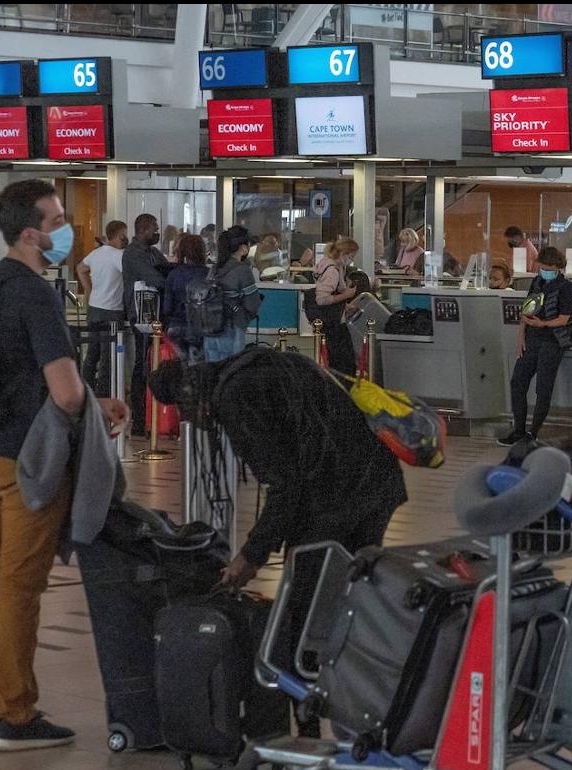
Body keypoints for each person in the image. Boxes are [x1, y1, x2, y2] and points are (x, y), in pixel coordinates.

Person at [0, 179, 129, 752]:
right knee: (20, 587)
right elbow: (64, 392)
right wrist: (91, 406)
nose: (66, 230)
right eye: (57, 221)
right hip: (28, 461)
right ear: (30, 234)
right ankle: (18, 715)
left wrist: (94, 401)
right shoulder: (34, 294)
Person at [148, 349, 407, 738]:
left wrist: (250, 556)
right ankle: (363, 713)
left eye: (184, 413)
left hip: (337, 495)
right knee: (351, 601)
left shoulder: (234, 398)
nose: (191, 422)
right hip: (375, 481)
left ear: (189, 395)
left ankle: (308, 725)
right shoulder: (247, 365)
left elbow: (286, 486)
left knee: (302, 612)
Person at [499, 247, 572, 446]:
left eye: (548, 268)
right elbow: (527, 311)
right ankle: (519, 430)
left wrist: (544, 324)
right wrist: (521, 337)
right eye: (542, 267)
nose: (544, 271)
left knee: (543, 387)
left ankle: (533, 433)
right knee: (518, 382)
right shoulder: (537, 282)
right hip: (532, 338)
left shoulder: (565, 287)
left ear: (558, 267)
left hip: (552, 341)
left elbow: (564, 318)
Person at [121, 213, 168, 436]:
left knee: (152, 363)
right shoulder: (133, 254)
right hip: (140, 316)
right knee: (141, 365)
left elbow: (166, 268)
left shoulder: (153, 252)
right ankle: (139, 420)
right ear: (142, 230)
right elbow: (157, 278)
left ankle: (152, 418)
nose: (157, 233)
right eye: (154, 229)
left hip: (154, 313)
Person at [77, 220, 127, 395]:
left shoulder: (96, 253)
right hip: (112, 311)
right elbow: (130, 275)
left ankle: (86, 392)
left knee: (92, 353)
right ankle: (104, 396)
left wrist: (90, 290)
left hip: (94, 308)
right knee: (108, 357)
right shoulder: (119, 256)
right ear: (121, 235)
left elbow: (80, 268)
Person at [206, 226, 260, 363]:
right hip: (232, 328)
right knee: (230, 370)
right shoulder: (243, 270)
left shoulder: (214, 269)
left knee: (212, 371)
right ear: (243, 248)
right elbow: (252, 304)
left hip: (210, 328)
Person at [313, 238, 359, 375]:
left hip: (328, 321)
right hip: (334, 323)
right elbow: (322, 299)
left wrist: (345, 305)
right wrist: (346, 295)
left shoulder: (326, 264)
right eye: (351, 256)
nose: (352, 260)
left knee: (335, 362)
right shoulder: (332, 271)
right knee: (344, 364)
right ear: (344, 253)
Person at [161, 234, 210, 364]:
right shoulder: (208, 275)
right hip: (199, 330)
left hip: (176, 328)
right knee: (196, 369)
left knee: (177, 368)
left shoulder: (173, 275)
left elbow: (167, 309)